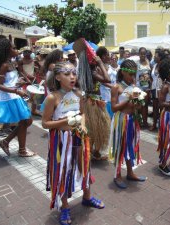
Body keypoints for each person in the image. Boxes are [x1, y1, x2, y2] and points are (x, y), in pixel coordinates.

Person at [42, 62, 105, 224]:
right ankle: (64, 207)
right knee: (64, 170)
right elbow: (45, 123)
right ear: (57, 77)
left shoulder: (79, 94)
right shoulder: (52, 97)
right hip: (61, 141)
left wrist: (82, 124)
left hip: (79, 137)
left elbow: (82, 114)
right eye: (66, 73)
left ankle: (87, 197)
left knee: (84, 166)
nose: (72, 77)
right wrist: (65, 121)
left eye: (74, 73)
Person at [0, 38, 35, 157]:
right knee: (26, 121)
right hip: (10, 97)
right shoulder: (4, 65)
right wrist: (17, 90)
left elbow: (9, 81)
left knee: (26, 121)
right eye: (13, 48)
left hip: (15, 95)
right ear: (6, 50)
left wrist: (19, 82)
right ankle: (19, 149)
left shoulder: (11, 63)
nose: (15, 50)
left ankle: (7, 142)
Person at [109, 59, 147, 189]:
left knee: (130, 146)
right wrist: (128, 101)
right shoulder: (116, 87)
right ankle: (117, 175)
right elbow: (114, 108)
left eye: (134, 75)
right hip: (121, 120)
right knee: (120, 147)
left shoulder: (133, 87)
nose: (132, 77)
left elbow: (135, 105)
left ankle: (130, 172)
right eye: (131, 74)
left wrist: (139, 103)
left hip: (132, 120)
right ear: (124, 72)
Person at [136, 47, 151, 128]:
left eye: (144, 53)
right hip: (139, 87)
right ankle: (138, 122)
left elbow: (150, 74)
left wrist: (150, 86)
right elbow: (134, 76)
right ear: (139, 54)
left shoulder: (148, 62)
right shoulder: (136, 63)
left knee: (145, 105)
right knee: (139, 105)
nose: (142, 55)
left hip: (147, 87)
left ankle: (145, 122)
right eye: (141, 53)